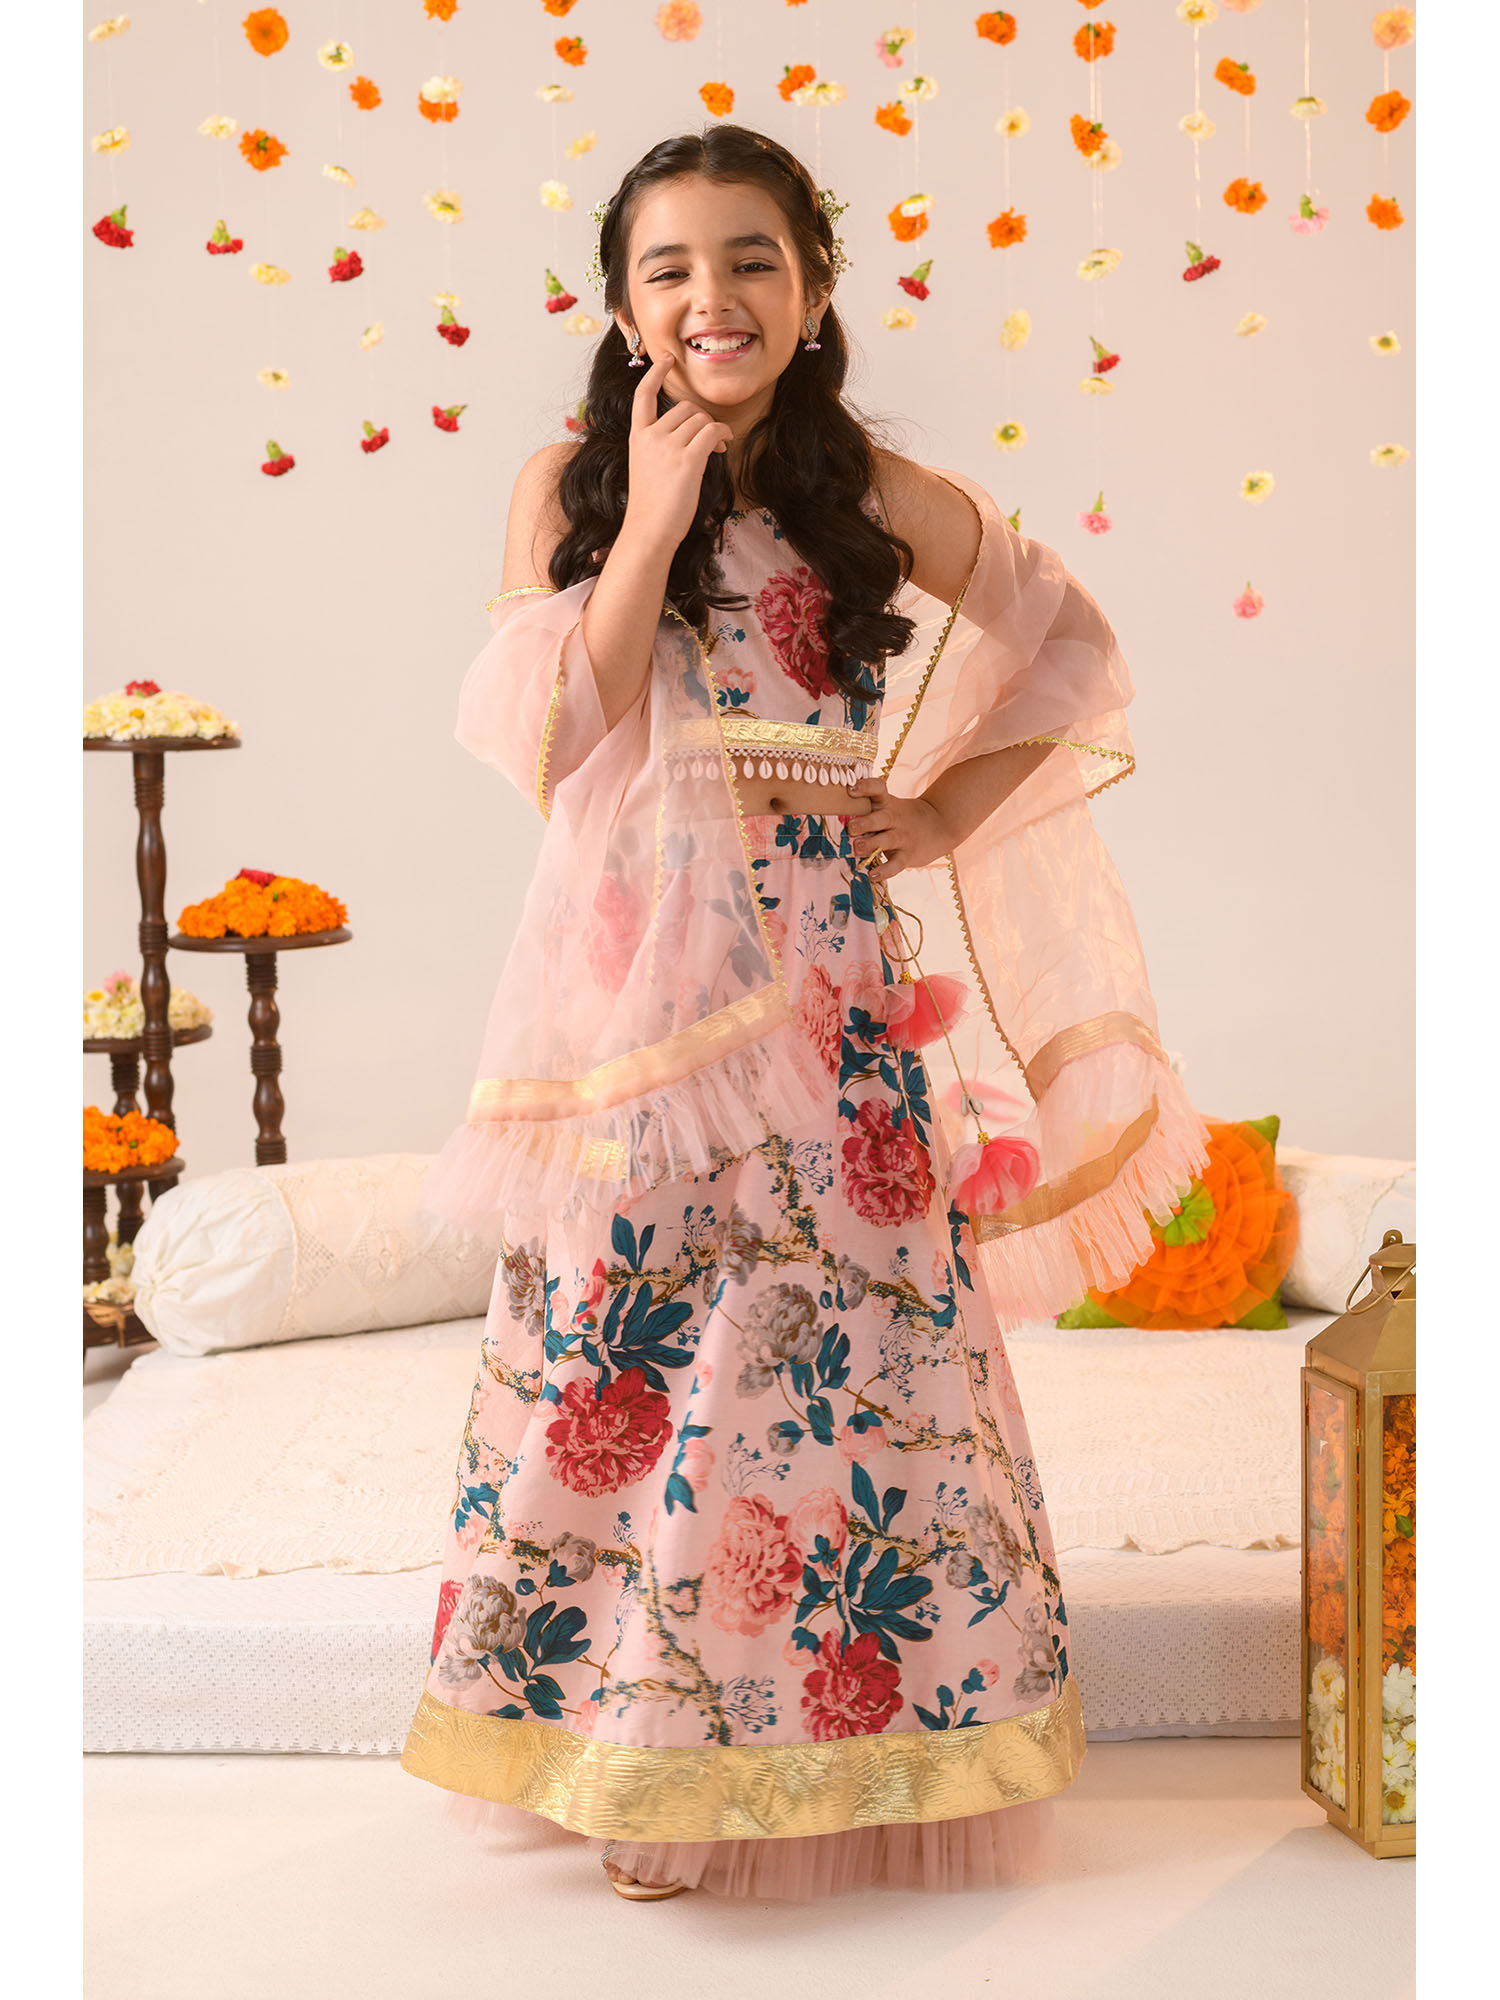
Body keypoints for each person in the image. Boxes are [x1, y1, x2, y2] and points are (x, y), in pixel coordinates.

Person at [400, 125, 1209, 1903]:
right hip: (637, 1001)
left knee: (836, 1363)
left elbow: (1073, 646)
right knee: (633, 1351)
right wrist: (655, 516)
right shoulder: (569, 487)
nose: (716, 298)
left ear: (817, 285)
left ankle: (848, 1758)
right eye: (672, 268)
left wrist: (942, 809)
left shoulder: (873, 494)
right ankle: (638, 1766)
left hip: (829, 988)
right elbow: (558, 739)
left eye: (753, 259)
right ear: (625, 307)